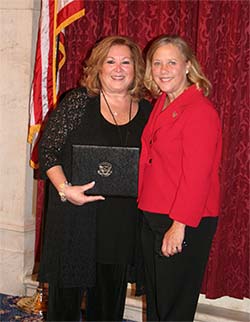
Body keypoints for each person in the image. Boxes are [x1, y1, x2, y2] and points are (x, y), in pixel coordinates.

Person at [38, 35, 151, 321]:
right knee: (64, 305)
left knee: (108, 305)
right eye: (110, 61)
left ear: (136, 68)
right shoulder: (77, 102)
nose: (118, 68)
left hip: (120, 222)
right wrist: (65, 189)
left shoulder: (149, 112)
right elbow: (47, 151)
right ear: (98, 67)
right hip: (75, 215)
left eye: (126, 61)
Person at [137, 35, 222, 322]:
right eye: (157, 63)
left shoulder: (199, 111)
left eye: (171, 62)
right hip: (155, 213)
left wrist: (179, 225)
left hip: (182, 219)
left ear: (187, 66)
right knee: (160, 302)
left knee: (174, 308)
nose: (163, 69)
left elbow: (197, 176)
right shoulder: (162, 102)